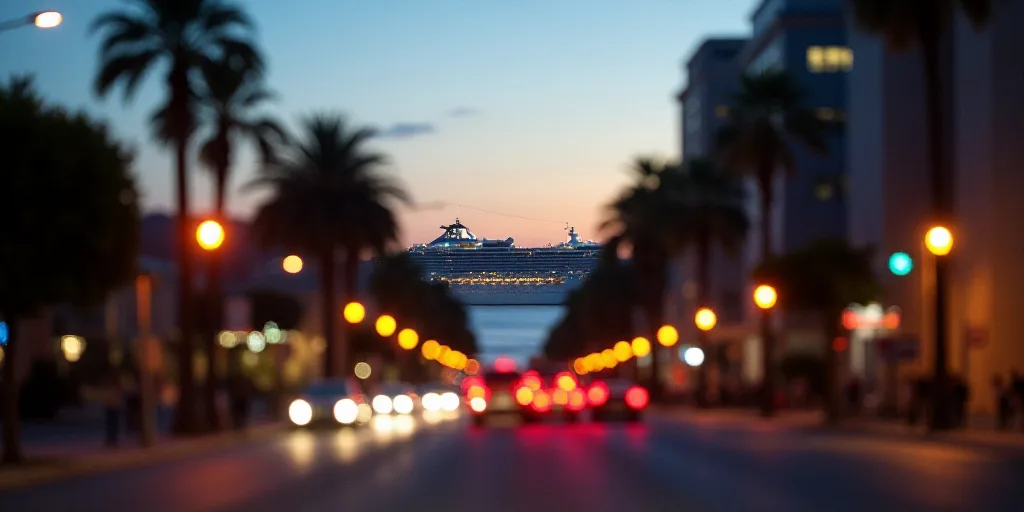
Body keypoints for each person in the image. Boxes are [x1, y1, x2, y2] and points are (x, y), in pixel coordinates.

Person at [102, 372, 123, 447]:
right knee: (111, 424)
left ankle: (112, 439)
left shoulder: (116, 387)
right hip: (111, 406)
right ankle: (111, 439)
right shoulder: (110, 387)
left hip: (114, 407)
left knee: (113, 424)